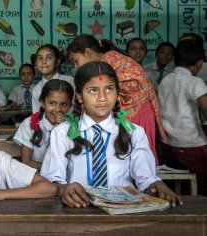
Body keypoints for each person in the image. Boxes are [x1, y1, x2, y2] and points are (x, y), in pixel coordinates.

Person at [41, 61, 183, 208]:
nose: (102, 97)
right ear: (79, 97)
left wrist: (156, 184)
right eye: (93, 90)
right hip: (78, 207)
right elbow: (53, 178)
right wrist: (62, 188)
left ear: (117, 94)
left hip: (123, 209)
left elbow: (145, 178)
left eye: (109, 89)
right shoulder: (62, 132)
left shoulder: (133, 132)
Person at [66, 34, 166, 165]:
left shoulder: (110, 61)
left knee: (138, 160)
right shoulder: (105, 62)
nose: (75, 66)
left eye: (76, 60)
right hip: (129, 113)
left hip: (138, 114)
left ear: (88, 52)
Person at [158, 40, 207, 196]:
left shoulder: (165, 80)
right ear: (199, 63)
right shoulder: (195, 82)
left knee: (179, 188)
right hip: (192, 144)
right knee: (201, 189)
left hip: (169, 144)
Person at [14, 79, 73, 171]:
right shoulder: (28, 124)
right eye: (52, 103)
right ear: (42, 103)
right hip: (38, 178)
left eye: (64, 104)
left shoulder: (74, 127)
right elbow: (27, 162)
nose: (58, 109)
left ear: (70, 106)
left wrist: (63, 127)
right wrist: (54, 170)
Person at [31, 44, 75, 113]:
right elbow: (36, 115)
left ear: (57, 62)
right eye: (40, 58)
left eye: (49, 57)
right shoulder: (36, 90)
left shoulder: (69, 81)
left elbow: (74, 108)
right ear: (36, 63)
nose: (43, 62)